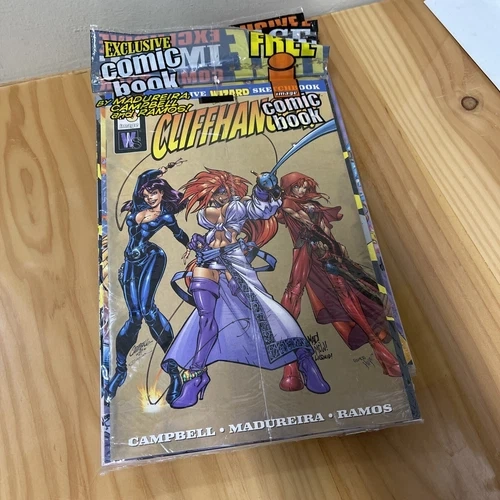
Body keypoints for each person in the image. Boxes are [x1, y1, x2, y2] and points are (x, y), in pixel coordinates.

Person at [163, 168, 330, 409]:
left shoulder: (238, 206)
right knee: (205, 318)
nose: (221, 195)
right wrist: (200, 241)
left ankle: (305, 360)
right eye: (216, 191)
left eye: (224, 190)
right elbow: (212, 234)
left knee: (264, 308)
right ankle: (196, 377)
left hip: (234, 262)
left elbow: (261, 209)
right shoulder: (204, 214)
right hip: (207, 262)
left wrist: (262, 189)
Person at [277, 172, 401, 392]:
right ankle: (291, 368)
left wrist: (336, 249)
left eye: (305, 186)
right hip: (306, 256)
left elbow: (324, 230)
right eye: (297, 187)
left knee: (350, 293)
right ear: (288, 189)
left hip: (326, 254)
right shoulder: (287, 204)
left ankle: (382, 351)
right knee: (296, 297)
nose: (302, 191)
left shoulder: (312, 206)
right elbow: (293, 216)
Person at [105, 162, 189, 402]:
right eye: (147, 194)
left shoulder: (165, 216)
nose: (150, 197)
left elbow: (178, 233)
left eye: (154, 193)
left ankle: (174, 371)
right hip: (131, 264)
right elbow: (142, 176)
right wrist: (162, 168)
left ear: (162, 193)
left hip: (152, 258)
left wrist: (191, 246)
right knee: (135, 318)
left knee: (148, 312)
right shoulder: (138, 205)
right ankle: (120, 371)